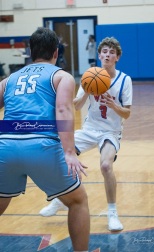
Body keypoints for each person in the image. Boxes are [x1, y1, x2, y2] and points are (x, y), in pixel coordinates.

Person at [0, 27, 90, 252]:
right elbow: (63, 110)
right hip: (41, 145)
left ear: (30, 51)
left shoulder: (9, 79)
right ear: (56, 52)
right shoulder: (61, 76)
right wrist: (69, 152)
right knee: (77, 201)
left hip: (6, 145)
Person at [39, 37, 133, 232]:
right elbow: (77, 105)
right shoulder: (90, 75)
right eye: (105, 51)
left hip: (111, 131)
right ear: (99, 55)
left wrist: (114, 105)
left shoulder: (125, 80)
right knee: (63, 157)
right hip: (90, 130)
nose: (108, 54)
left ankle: (112, 212)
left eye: (112, 52)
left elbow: (128, 113)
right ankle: (60, 200)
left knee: (106, 166)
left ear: (117, 57)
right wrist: (86, 92)